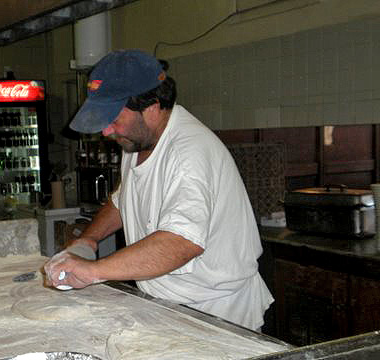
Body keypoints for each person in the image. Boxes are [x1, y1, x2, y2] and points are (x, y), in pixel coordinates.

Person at [44, 49, 273, 331]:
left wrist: (94, 272)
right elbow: (122, 201)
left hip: (215, 316)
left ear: (151, 107)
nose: (106, 131)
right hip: (167, 305)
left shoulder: (188, 154)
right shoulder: (137, 140)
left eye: (114, 119)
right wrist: (89, 240)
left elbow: (181, 242)